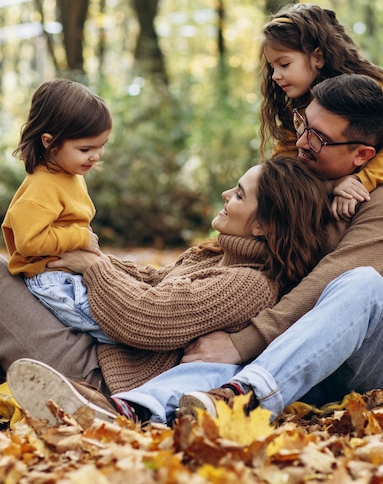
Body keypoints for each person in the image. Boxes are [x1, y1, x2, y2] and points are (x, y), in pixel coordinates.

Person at [6, 73, 383, 426]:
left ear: (361, 155)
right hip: (284, 355)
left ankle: (244, 396)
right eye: (302, 124)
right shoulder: (303, 178)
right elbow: (163, 284)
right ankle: (202, 395)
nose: (302, 141)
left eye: (319, 138)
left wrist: (246, 342)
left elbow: (324, 281)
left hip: (366, 359)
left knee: (358, 283)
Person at [4, 156, 334, 424]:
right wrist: (91, 257)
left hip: (103, 378)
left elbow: (147, 317)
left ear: (264, 225)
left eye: (239, 195)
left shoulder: (249, 284)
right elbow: (152, 281)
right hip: (98, 350)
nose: (226, 195)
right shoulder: (214, 256)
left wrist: (94, 267)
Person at [258, 2, 383, 220]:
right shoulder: (297, 108)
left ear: (318, 57)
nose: (275, 75)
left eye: (284, 64)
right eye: (272, 67)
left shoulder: (374, 92)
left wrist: (358, 182)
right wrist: (332, 185)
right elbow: (283, 161)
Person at [1, 79, 115, 344]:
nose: (96, 156)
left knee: (118, 312)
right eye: (85, 149)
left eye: (101, 145)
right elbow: (28, 242)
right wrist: (82, 238)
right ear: (50, 143)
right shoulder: (42, 186)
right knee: (114, 330)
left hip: (68, 276)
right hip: (52, 282)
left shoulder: (69, 173)